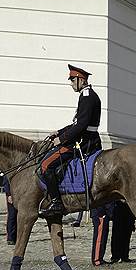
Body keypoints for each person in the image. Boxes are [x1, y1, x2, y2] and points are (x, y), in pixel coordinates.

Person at [39, 64, 102, 218]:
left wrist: (61, 139)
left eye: (73, 80)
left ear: (81, 80)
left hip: (84, 141)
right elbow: (76, 123)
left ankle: (56, 202)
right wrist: (58, 132)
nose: (71, 84)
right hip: (85, 138)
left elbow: (81, 126)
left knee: (46, 165)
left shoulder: (87, 97)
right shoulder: (86, 95)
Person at [90, 202, 114, 266]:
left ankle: (100, 258)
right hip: (100, 213)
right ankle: (96, 259)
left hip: (103, 213)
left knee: (103, 238)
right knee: (99, 238)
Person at [4, 177, 17, 245]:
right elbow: (6, 183)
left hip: (19, 195)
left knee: (19, 217)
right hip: (11, 195)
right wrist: (9, 194)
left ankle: (16, 237)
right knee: (12, 216)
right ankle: (10, 237)